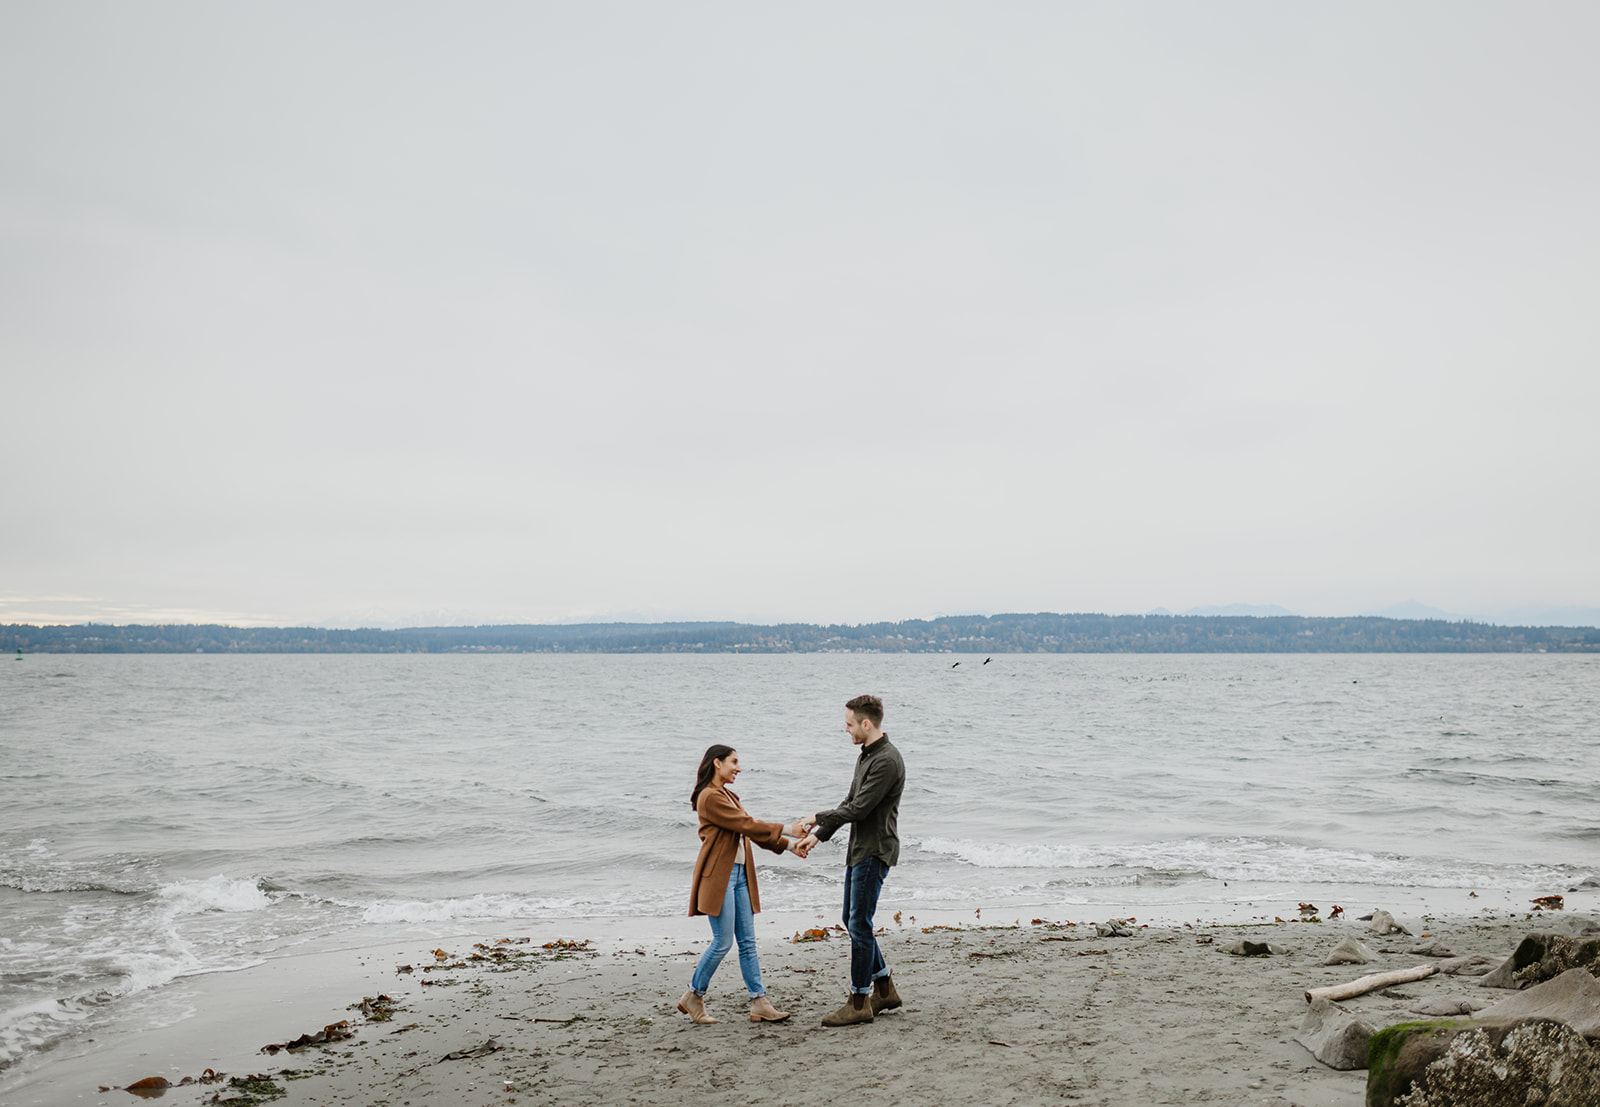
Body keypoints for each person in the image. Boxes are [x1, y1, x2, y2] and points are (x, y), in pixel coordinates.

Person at [680, 744, 812, 1024]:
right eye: (734, 762)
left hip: (740, 875)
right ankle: (694, 995)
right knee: (723, 942)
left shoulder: (728, 795)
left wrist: (789, 846)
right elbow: (747, 824)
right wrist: (789, 828)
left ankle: (759, 1003)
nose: (738, 768)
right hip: (719, 877)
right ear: (717, 763)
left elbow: (749, 831)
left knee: (748, 943)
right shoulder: (709, 797)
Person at [796, 693, 906, 1027]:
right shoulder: (867, 755)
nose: (846, 730)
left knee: (859, 923)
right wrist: (818, 834)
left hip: (875, 850)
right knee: (852, 918)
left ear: (866, 723)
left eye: (849, 724)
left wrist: (816, 816)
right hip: (861, 848)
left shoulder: (887, 760)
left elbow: (859, 810)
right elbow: (850, 800)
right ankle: (884, 987)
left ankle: (860, 1001)